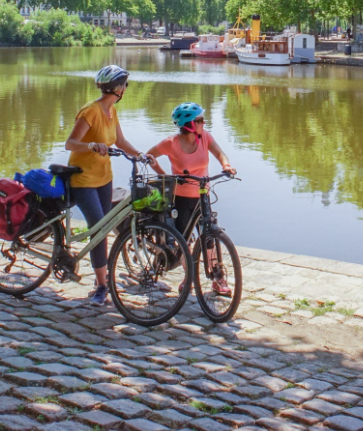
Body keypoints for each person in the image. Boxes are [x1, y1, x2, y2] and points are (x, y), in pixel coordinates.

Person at [63, 64, 150, 305]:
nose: (126, 88)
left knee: (105, 229)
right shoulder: (91, 111)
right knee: (99, 231)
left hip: (104, 179)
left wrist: (141, 155)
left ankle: (100, 278)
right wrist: (91, 146)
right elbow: (70, 143)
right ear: (118, 88)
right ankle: (102, 286)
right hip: (83, 180)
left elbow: (120, 141)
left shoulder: (111, 111)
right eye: (125, 85)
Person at [145, 102, 236, 294]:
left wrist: (226, 165)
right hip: (181, 198)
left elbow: (220, 153)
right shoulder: (171, 143)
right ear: (189, 125)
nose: (204, 123)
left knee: (209, 237)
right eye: (200, 120)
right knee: (184, 241)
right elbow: (149, 156)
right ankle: (190, 277)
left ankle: (217, 277)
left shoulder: (205, 137)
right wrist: (165, 177)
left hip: (202, 195)